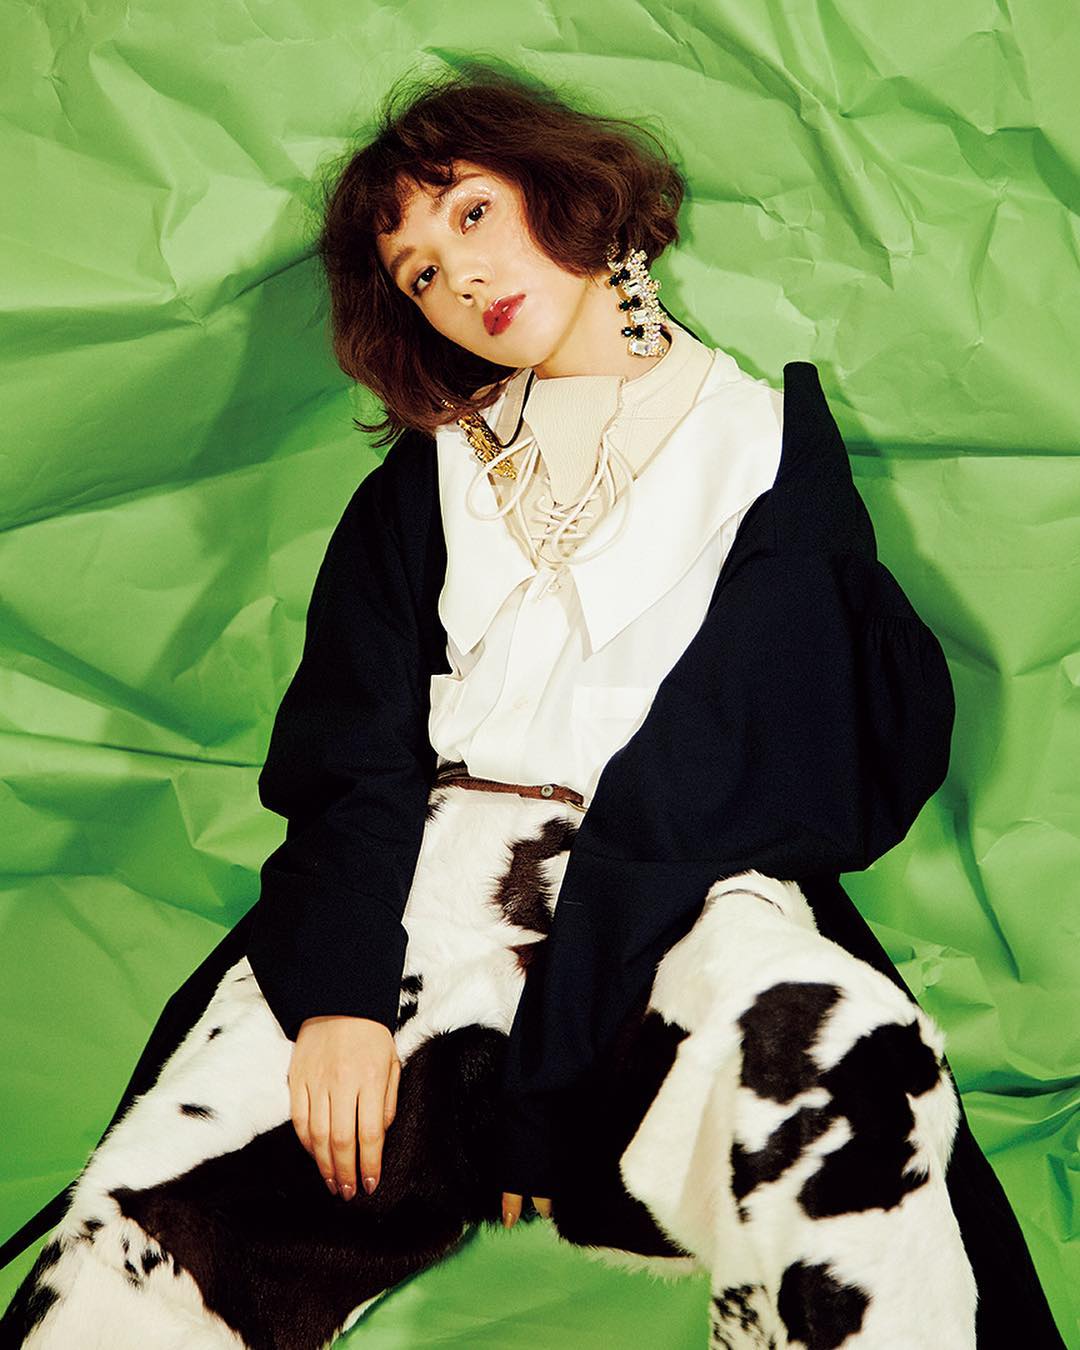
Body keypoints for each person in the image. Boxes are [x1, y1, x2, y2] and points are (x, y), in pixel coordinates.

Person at [0, 63, 1064, 1350]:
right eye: (417, 274)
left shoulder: (765, 447)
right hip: (426, 879)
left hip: (676, 888)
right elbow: (355, 756)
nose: (459, 277)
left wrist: (563, 1052)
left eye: (471, 213)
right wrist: (337, 997)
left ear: (564, 190)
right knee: (141, 1223)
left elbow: (755, 769)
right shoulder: (426, 479)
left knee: (848, 1068)